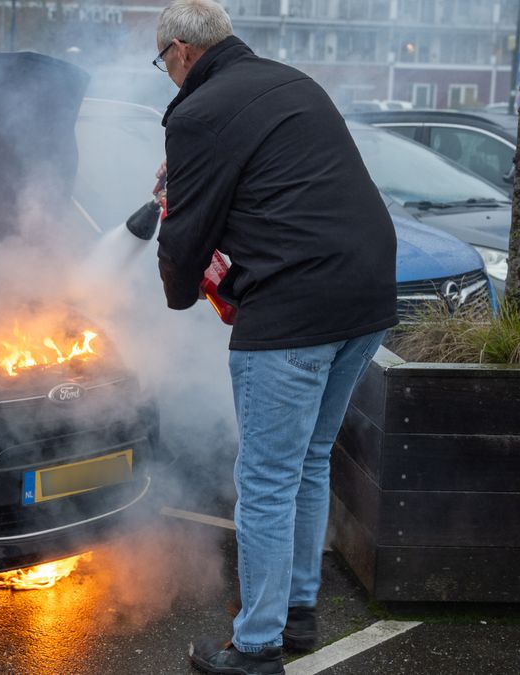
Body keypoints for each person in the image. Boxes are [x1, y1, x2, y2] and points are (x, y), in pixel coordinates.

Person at [151, 1, 398, 673]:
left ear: (181, 51)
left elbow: (187, 233)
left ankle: (257, 645)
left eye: (162, 62)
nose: (166, 74)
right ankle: (297, 611)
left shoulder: (197, 112)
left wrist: (177, 294)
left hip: (297, 307)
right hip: (368, 294)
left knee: (263, 478)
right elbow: (277, 189)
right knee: (309, 460)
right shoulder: (291, 82)